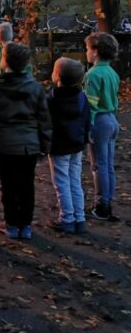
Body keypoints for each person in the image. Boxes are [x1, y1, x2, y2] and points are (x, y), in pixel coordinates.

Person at [0, 42, 52, 240]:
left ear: (4, 61)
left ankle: (11, 223)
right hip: (28, 145)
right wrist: (45, 145)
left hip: (4, 144)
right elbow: (44, 120)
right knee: (27, 185)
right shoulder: (36, 89)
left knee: (8, 185)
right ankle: (25, 225)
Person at [47, 57, 90, 234]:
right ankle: (79, 218)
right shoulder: (81, 98)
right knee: (75, 180)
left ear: (57, 77)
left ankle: (66, 218)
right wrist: (85, 140)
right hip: (76, 144)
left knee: (62, 181)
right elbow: (87, 121)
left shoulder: (52, 99)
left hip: (59, 145)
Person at [84, 33, 121, 222]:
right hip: (112, 119)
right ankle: (108, 200)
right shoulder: (112, 73)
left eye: (88, 49)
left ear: (95, 52)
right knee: (108, 165)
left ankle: (101, 205)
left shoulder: (92, 74)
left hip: (98, 120)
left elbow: (90, 104)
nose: (87, 53)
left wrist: (87, 126)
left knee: (98, 165)